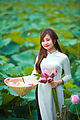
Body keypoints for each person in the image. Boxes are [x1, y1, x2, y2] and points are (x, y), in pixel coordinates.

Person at [4, 28, 71, 120]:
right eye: (42, 41)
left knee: (57, 115)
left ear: (54, 40)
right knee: (45, 116)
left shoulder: (63, 57)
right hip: (42, 90)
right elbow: (34, 76)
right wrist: (14, 80)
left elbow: (68, 76)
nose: (45, 43)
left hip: (56, 89)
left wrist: (58, 82)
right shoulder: (40, 56)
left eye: (48, 40)